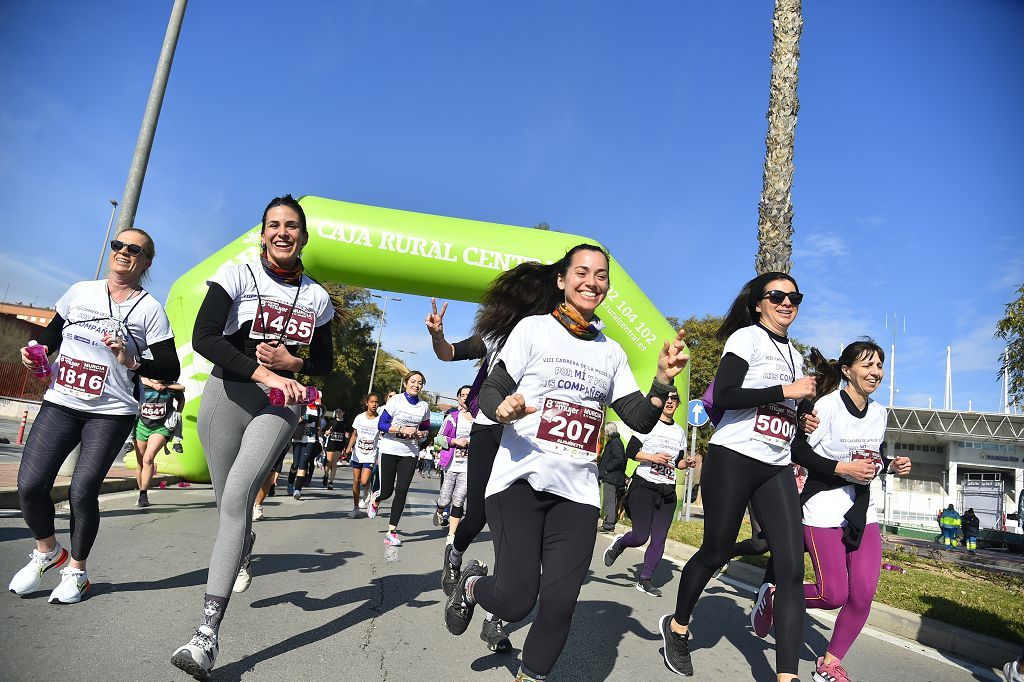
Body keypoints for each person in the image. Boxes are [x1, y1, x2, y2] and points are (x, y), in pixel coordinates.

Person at [443, 244, 689, 682]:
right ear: (562, 280)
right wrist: (502, 409)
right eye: (582, 272)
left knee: (559, 606)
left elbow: (639, 417)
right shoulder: (532, 330)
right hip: (520, 480)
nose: (591, 281)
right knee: (517, 600)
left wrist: (662, 380)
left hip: (577, 492)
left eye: (601, 276)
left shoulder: (611, 352)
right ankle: (471, 585)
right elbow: (492, 388)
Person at [171, 195, 334, 679]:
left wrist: (293, 365)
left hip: (280, 406)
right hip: (227, 395)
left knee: (240, 495)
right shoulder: (238, 273)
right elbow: (204, 337)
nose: (283, 232)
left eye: (292, 226)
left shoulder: (318, 297)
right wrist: (264, 371)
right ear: (263, 233)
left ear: (304, 236)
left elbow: (322, 363)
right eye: (273, 225)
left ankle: (206, 636)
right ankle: (243, 545)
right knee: (228, 505)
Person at [9, 228, 179, 604]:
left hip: (110, 413)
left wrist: (131, 360)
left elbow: (171, 366)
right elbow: (53, 335)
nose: (123, 252)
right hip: (61, 402)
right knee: (30, 485)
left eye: (134, 249)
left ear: (146, 262)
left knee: (82, 491)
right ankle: (47, 551)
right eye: (118, 245)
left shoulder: (149, 309)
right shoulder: (80, 291)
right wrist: (35, 350)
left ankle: (78, 571)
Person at [662, 272, 814, 681]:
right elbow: (726, 396)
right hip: (733, 457)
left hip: (776, 465)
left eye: (794, 297)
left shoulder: (795, 356)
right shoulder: (746, 339)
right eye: (777, 296)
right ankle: (677, 627)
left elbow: (787, 413)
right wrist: (786, 392)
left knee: (791, 567)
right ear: (758, 303)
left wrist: (803, 419)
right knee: (715, 550)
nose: (787, 303)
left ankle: (786, 676)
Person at [764, 340, 911, 682]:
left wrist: (891, 464)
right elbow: (798, 450)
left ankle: (829, 664)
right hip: (822, 509)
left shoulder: (879, 413)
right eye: (868, 365)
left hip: (861, 511)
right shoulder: (826, 407)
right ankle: (775, 597)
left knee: (862, 594)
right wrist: (841, 469)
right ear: (847, 371)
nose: (876, 372)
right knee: (833, 594)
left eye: (879, 366)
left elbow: (869, 456)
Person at [603, 390, 691, 597]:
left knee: (659, 538)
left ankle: (645, 579)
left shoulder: (679, 432)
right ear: (662, 403)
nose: (670, 402)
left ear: (678, 404)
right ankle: (620, 543)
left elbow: (677, 462)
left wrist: (686, 463)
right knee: (641, 536)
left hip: (667, 489)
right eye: (667, 399)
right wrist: (652, 457)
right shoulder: (648, 425)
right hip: (644, 485)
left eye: (674, 400)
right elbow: (631, 452)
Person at [368, 371, 431, 546]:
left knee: (402, 491)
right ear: (405, 383)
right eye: (413, 381)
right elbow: (382, 424)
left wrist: (421, 433)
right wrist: (402, 429)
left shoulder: (424, 406)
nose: (416, 385)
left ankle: (391, 532)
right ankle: (376, 499)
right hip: (389, 448)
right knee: (386, 491)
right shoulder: (396, 400)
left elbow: (426, 429)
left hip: (410, 452)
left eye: (420, 383)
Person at [134, 377, 185, 507]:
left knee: (148, 458)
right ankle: (141, 491)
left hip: (161, 427)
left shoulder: (171, 387)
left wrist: (178, 413)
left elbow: (181, 396)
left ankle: (143, 494)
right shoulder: (143, 384)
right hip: (142, 426)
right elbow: (137, 379)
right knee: (140, 463)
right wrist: (152, 384)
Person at [434, 385, 473, 544]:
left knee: (459, 499)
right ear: (458, 398)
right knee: (445, 499)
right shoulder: (452, 417)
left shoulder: (480, 419)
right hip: (450, 465)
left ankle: (451, 534)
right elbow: (438, 440)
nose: (465, 397)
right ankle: (440, 509)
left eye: (468, 395)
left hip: (468, 467)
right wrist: (455, 441)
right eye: (462, 395)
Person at [345, 393, 381, 516]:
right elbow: (355, 434)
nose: (374, 404)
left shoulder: (379, 419)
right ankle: (355, 507)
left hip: (370, 455)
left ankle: (367, 490)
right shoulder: (360, 417)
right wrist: (349, 447)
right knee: (356, 480)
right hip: (358, 454)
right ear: (366, 403)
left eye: (376, 402)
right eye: (372, 402)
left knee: (364, 481)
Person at [597, 422, 627, 533]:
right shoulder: (615, 442)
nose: (604, 433)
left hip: (611, 477)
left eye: (605, 431)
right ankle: (608, 522)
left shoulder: (615, 443)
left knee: (609, 501)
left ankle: (608, 525)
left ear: (609, 431)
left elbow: (618, 459)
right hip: (612, 476)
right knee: (610, 501)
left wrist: (607, 468)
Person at [323, 408, 348, 487]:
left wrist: (346, 444)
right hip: (331, 444)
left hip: (339, 445)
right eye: (336, 411)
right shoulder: (331, 422)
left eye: (339, 412)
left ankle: (331, 482)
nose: (338, 413)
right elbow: (324, 432)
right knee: (329, 462)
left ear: (343, 413)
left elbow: (347, 434)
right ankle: (326, 475)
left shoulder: (345, 423)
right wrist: (328, 432)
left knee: (334, 463)